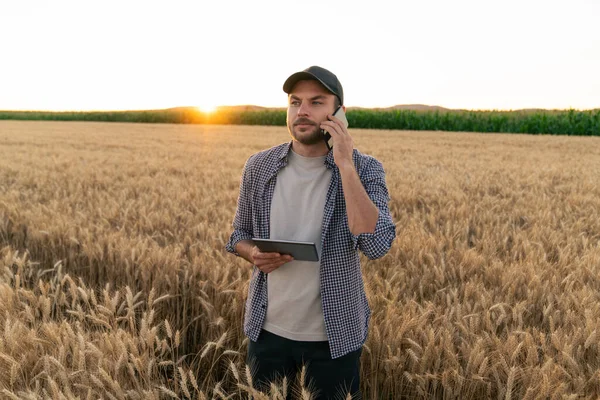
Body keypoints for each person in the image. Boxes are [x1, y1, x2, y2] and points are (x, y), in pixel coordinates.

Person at [225, 66, 396, 399]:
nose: (301, 111)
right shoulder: (259, 166)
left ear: (339, 114)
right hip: (268, 331)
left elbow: (375, 244)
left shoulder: (366, 168)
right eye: (294, 102)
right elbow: (238, 234)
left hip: (334, 336)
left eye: (316, 102)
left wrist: (345, 163)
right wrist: (253, 253)